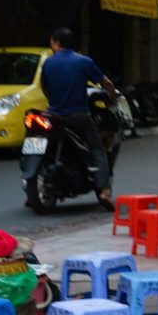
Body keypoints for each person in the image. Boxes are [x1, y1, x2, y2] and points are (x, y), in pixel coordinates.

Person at [39, 27, 118, 209]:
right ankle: (104, 190)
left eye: (51, 42)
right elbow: (105, 82)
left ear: (57, 43)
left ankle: (34, 189)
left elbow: (45, 88)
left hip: (54, 116)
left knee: (44, 146)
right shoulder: (84, 61)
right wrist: (113, 94)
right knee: (98, 148)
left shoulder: (48, 63)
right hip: (78, 116)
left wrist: (53, 100)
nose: (51, 46)